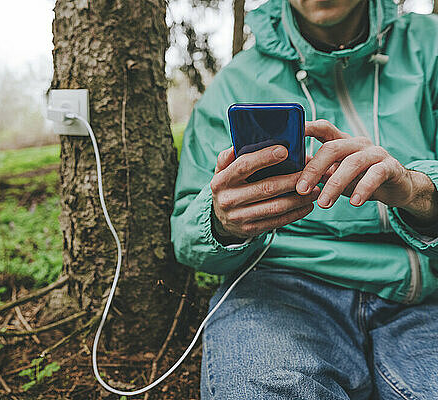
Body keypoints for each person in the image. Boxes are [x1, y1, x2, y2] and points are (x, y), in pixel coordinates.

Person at [170, 0, 438, 398]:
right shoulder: (236, 82)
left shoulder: (429, 45)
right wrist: (222, 222)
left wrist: (418, 190)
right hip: (279, 290)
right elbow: (186, 236)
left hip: (424, 293)